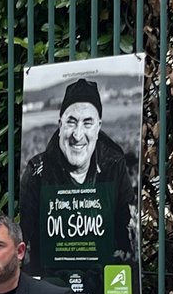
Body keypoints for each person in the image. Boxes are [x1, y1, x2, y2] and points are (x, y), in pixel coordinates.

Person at [19, 77, 133, 274]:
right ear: (60, 124)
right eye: (71, 122)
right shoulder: (37, 170)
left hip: (105, 280)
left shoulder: (114, 165)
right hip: (51, 283)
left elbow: (127, 231)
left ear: (98, 127)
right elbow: (24, 241)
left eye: (87, 123)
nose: (78, 135)